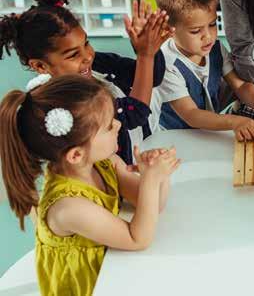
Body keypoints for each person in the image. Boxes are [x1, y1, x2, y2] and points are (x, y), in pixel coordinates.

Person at [0, 74, 180, 295]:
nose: (118, 124)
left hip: (117, 269)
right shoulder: (68, 208)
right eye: (109, 126)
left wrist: (157, 173)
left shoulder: (106, 163)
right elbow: (137, 238)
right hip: (89, 287)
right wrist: (151, 181)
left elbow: (154, 205)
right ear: (76, 155)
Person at [0, 0, 172, 163]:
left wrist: (146, 46)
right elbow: (134, 113)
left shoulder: (96, 63)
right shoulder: (62, 102)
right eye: (73, 54)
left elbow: (151, 77)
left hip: (142, 155)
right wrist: (145, 55)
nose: (88, 56)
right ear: (40, 66)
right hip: (115, 176)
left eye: (86, 43)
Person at [151, 0, 254, 141]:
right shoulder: (166, 63)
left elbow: (240, 85)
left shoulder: (215, 49)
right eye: (196, 31)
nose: (208, 36)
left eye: (212, 24)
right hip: (174, 138)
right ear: (169, 29)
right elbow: (191, 114)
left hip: (205, 134)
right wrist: (234, 122)